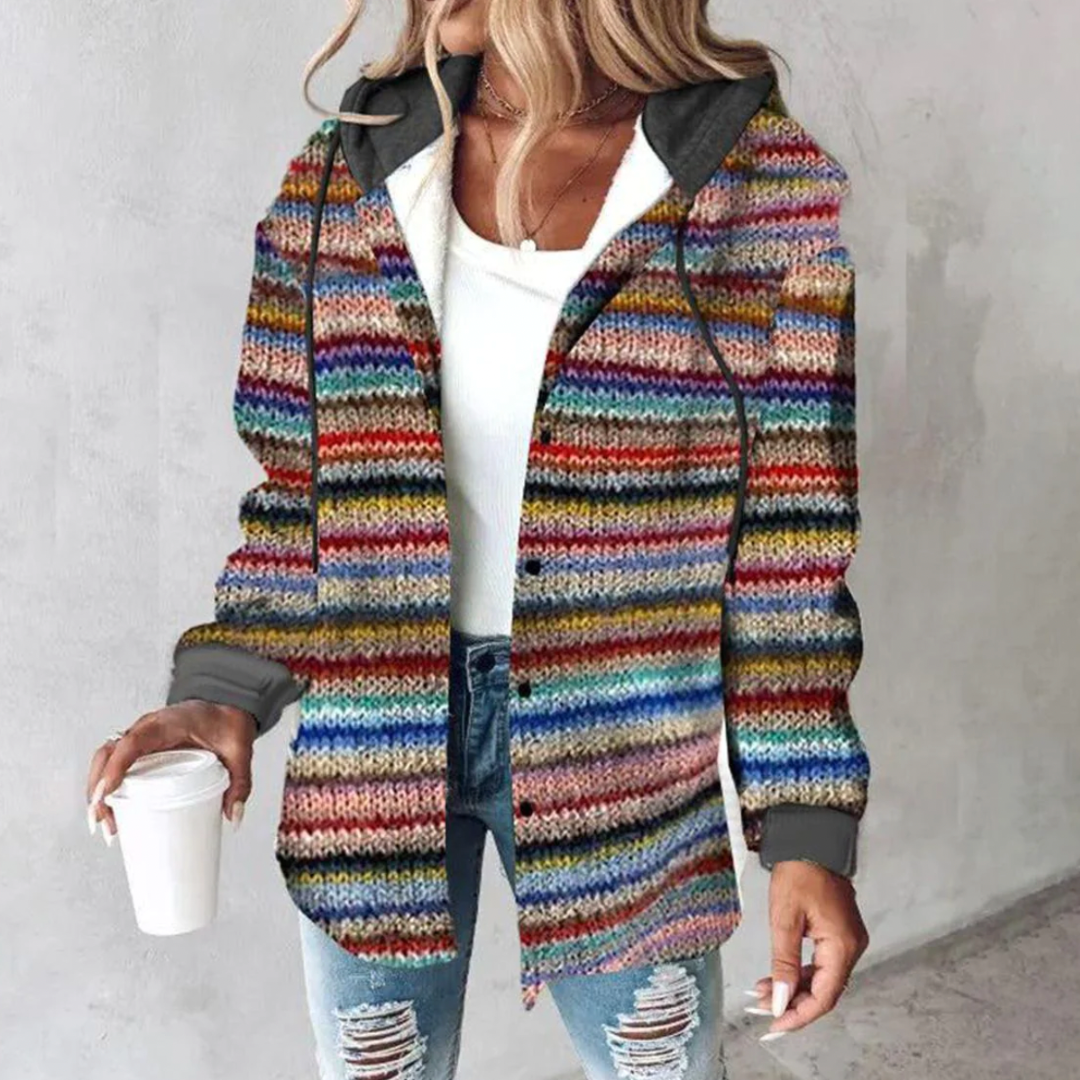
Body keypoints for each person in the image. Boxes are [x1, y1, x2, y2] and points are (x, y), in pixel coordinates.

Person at [86, 0, 872, 1074]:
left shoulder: (758, 190)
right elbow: (300, 495)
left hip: (626, 767)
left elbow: (790, 548)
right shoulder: (345, 179)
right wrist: (218, 693)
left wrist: (807, 823)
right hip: (376, 748)